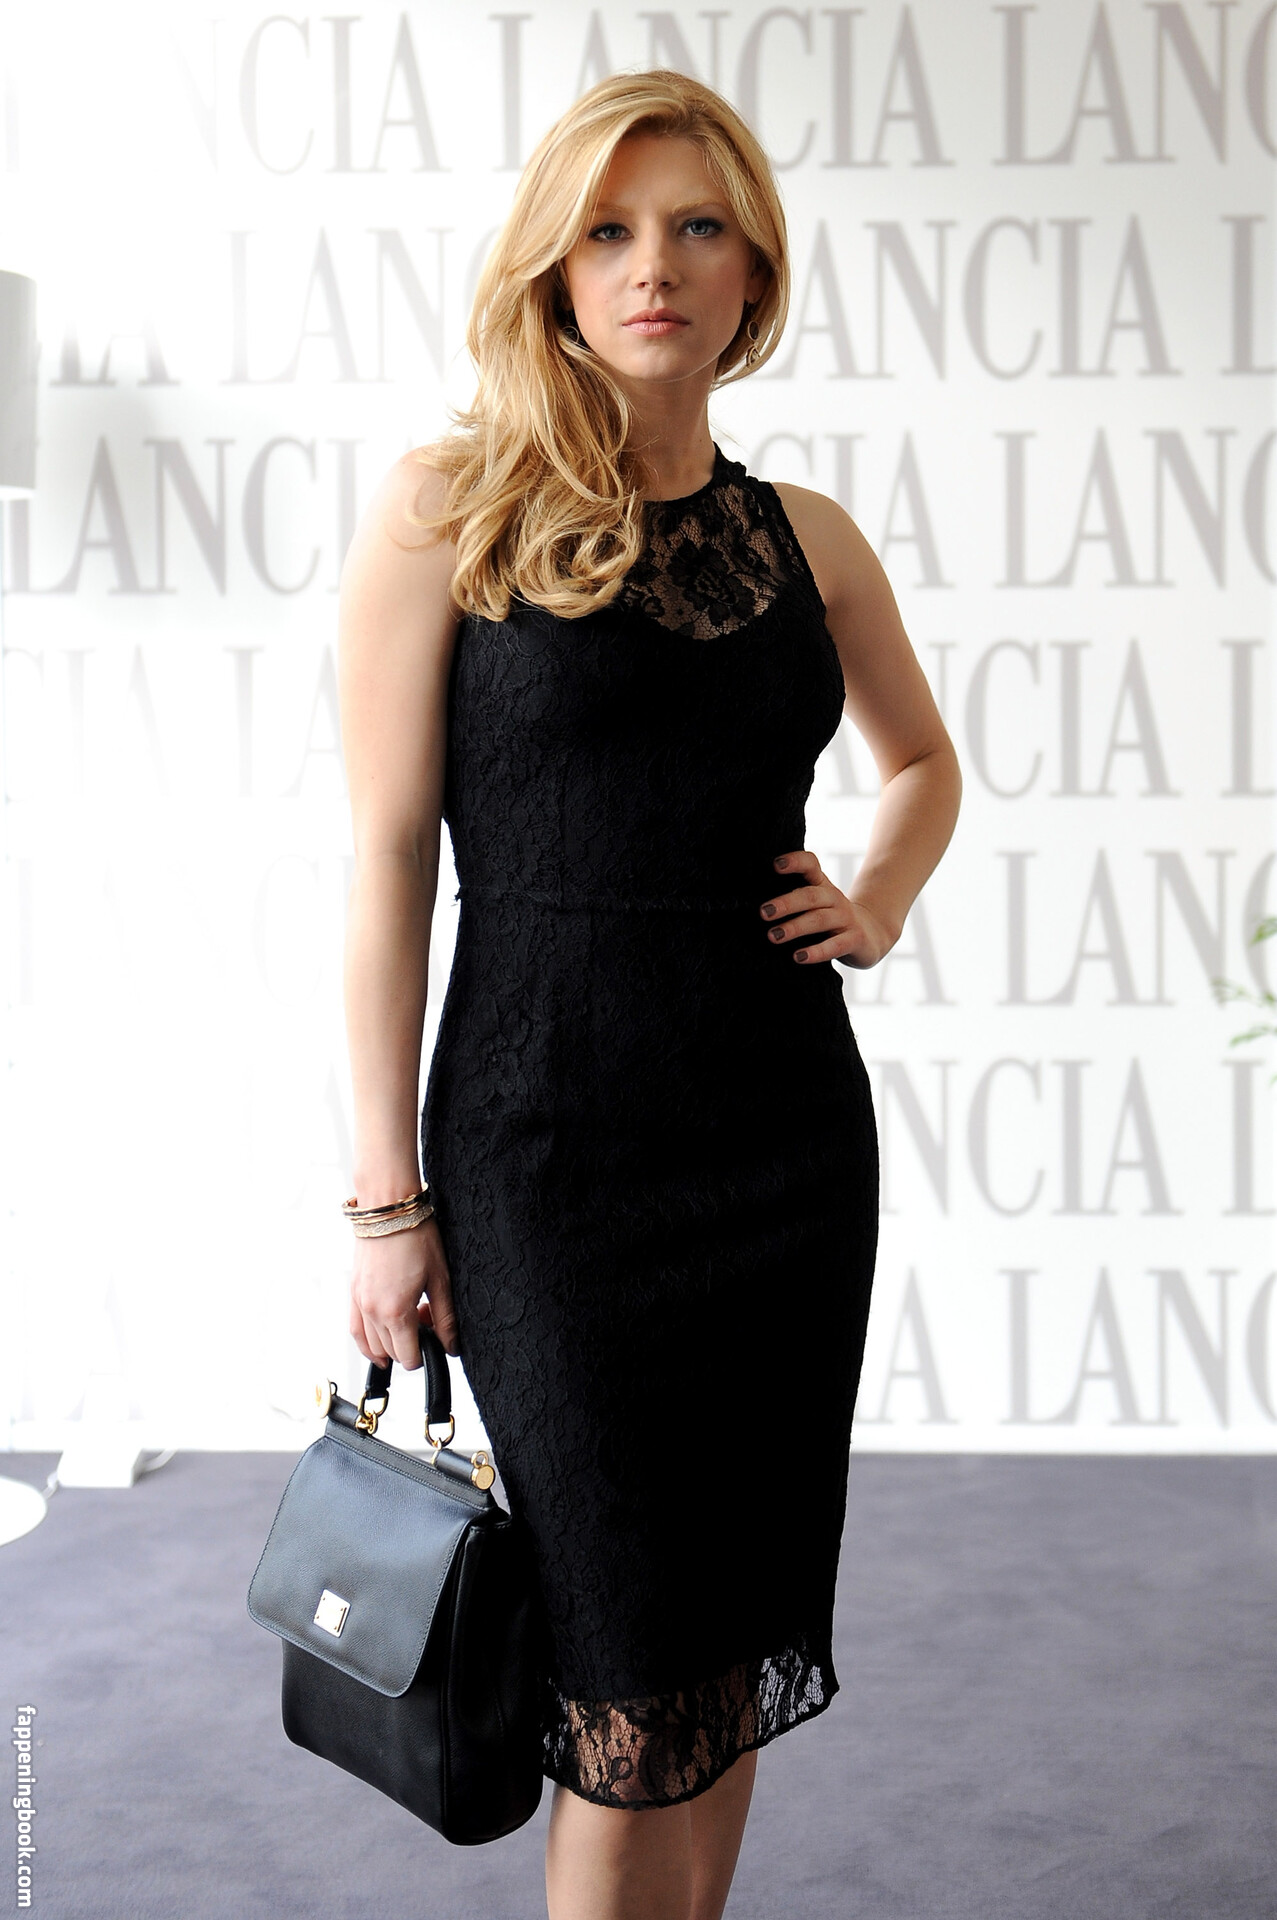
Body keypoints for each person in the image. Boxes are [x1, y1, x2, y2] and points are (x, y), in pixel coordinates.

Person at [335, 67, 961, 1920]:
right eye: (607, 230)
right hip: (545, 1157)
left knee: (720, 1646)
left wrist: (876, 898)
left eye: (695, 227)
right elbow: (386, 861)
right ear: (550, 265)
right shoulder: (445, 510)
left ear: (751, 266)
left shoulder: (806, 538)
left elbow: (921, 764)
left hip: (779, 1151)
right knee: (618, 1684)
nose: (652, 267)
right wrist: (383, 1199)